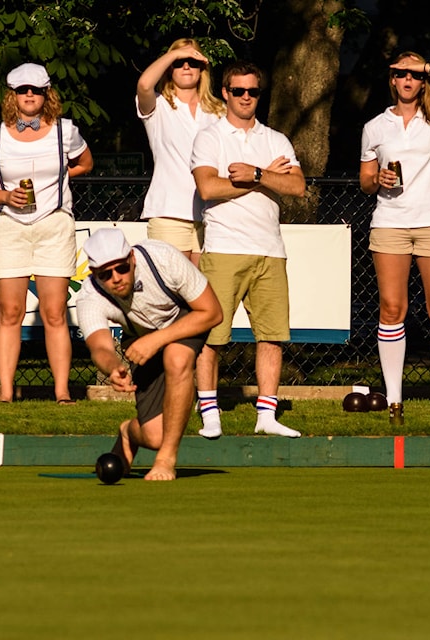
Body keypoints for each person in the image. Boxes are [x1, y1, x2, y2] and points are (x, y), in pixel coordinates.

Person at [190, 60, 307, 439]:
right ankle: (210, 412)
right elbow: (209, 188)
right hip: (224, 247)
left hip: (270, 249)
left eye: (252, 91)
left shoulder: (276, 139)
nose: (245, 97)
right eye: (238, 91)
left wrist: (255, 174)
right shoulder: (209, 137)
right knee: (212, 337)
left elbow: (297, 187)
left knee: (270, 336)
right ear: (225, 92)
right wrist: (269, 178)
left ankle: (267, 416)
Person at [358, 52, 430, 424]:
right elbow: (364, 181)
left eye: (414, 75)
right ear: (392, 80)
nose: (407, 80)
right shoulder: (375, 126)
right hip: (390, 223)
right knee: (392, 309)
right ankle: (394, 398)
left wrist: (429, 66)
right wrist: (378, 179)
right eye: (401, 74)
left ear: (422, 80)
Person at [0, 63, 94, 404]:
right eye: (23, 90)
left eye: (36, 90)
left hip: (54, 224)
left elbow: (86, 162)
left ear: (46, 94)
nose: (29, 96)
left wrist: (63, 179)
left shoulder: (65, 131)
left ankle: (61, 392)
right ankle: (7, 393)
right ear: (12, 95)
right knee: (10, 313)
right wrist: (5, 196)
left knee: (54, 312)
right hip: (9, 226)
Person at [76, 228, 223, 481]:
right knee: (155, 436)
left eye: (121, 268)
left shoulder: (162, 258)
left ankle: (166, 460)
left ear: (132, 258)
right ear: (94, 275)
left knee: (176, 357)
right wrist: (112, 368)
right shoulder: (90, 296)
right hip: (141, 339)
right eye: (105, 274)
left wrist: (157, 340)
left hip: (186, 318)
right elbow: (100, 347)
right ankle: (128, 432)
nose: (116, 278)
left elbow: (212, 312)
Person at [136, 38, 225, 266]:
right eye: (179, 62)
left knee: (204, 295)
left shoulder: (219, 111)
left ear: (202, 69)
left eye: (192, 61)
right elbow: (145, 84)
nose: (186, 66)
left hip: (212, 216)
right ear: (169, 69)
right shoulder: (158, 105)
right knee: (170, 294)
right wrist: (175, 54)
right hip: (169, 214)